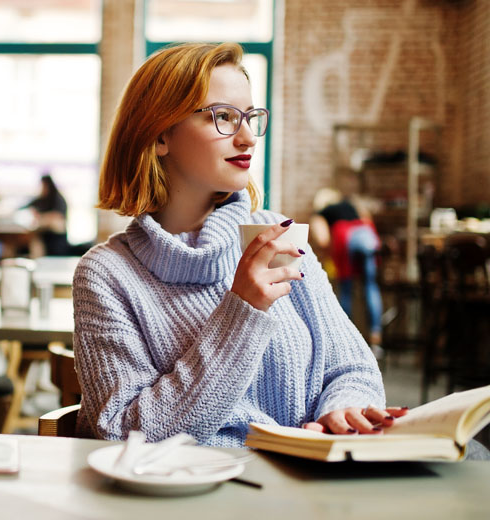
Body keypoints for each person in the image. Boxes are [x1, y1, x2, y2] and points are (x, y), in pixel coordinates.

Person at [72, 42, 408, 447]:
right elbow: (121, 433)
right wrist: (243, 312)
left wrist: (343, 409)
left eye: (250, 117)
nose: (248, 137)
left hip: (307, 492)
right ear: (161, 134)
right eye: (225, 117)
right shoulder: (106, 274)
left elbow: (352, 368)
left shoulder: (275, 233)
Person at [310, 188, 384, 356]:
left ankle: (345, 341)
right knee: (371, 286)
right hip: (367, 235)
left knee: (345, 288)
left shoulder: (322, 212)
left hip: (346, 236)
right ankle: (376, 338)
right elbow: (367, 219)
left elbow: (322, 240)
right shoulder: (351, 205)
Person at [23, 173, 71, 256]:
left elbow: (57, 216)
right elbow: (26, 206)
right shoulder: (42, 199)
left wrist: (42, 217)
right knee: (34, 237)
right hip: (43, 233)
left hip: (56, 234)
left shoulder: (58, 199)